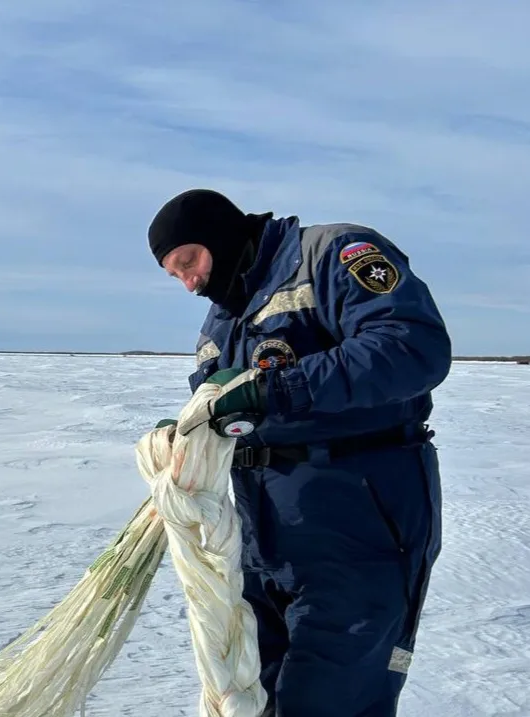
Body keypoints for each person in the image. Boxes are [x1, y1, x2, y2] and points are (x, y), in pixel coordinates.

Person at [147, 189, 449, 716]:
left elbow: (410, 346)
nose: (189, 283)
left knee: (327, 701)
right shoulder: (222, 321)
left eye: (188, 261)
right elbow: (222, 411)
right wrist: (187, 438)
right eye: (175, 275)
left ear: (219, 233)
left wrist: (278, 390)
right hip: (260, 548)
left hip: (359, 530)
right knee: (257, 699)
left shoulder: (334, 255)